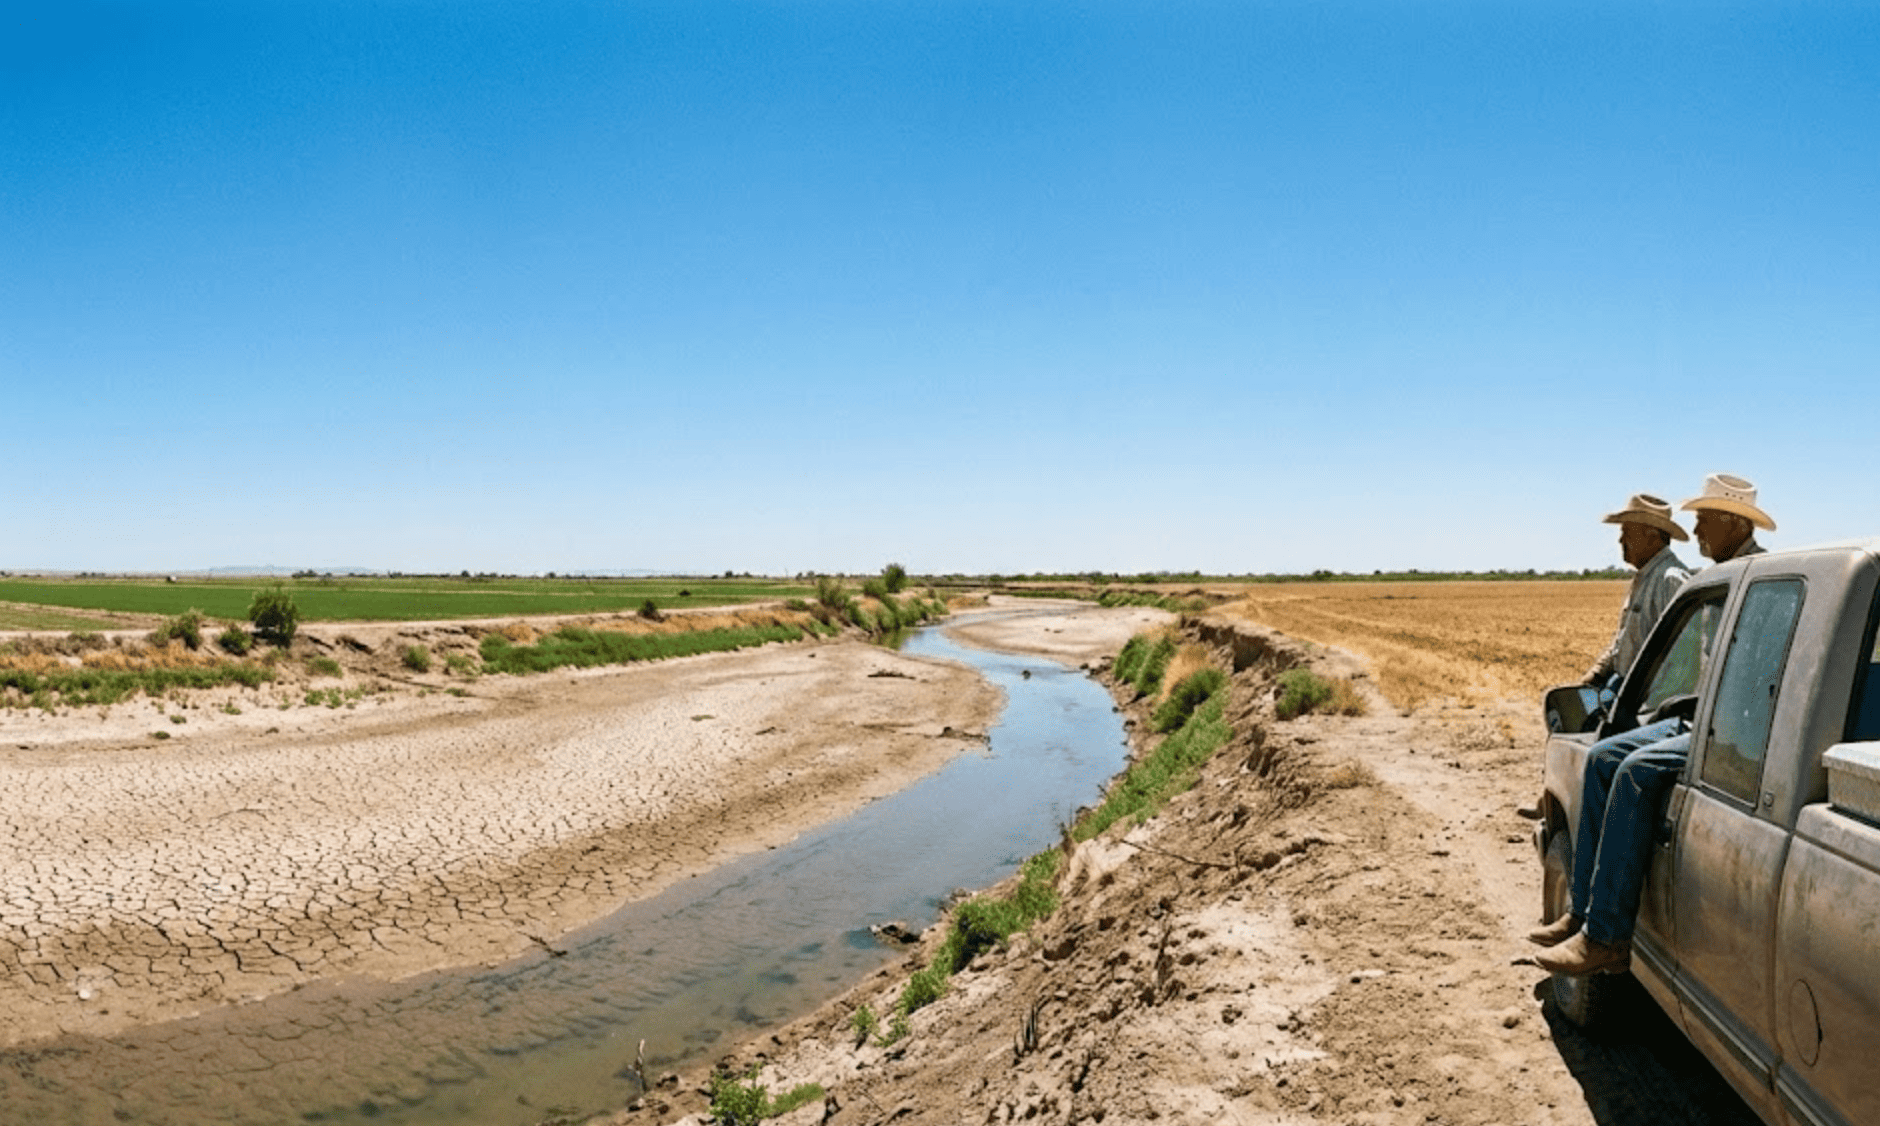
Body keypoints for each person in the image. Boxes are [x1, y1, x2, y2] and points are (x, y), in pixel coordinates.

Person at [1531, 473, 1774, 975]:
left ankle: (1608, 937)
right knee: (1602, 758)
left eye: (1704, 518)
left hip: (1730, 728)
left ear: (1731, 521)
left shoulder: (1756, 578)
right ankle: (1584, 913)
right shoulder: (1726, 576)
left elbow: (1731, 674)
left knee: (1634, 771)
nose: (1698, 528)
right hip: (1704, 715)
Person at [1583, 494, 1693, 692]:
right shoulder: (1646, 577)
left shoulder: (1670, 580)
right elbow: (1624, 640)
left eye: (1626, 532)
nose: (1620, 540)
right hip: (1624, 689)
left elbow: (1684, 660)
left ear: (1651, 535)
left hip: (1644, 700)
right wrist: (1597, 674)